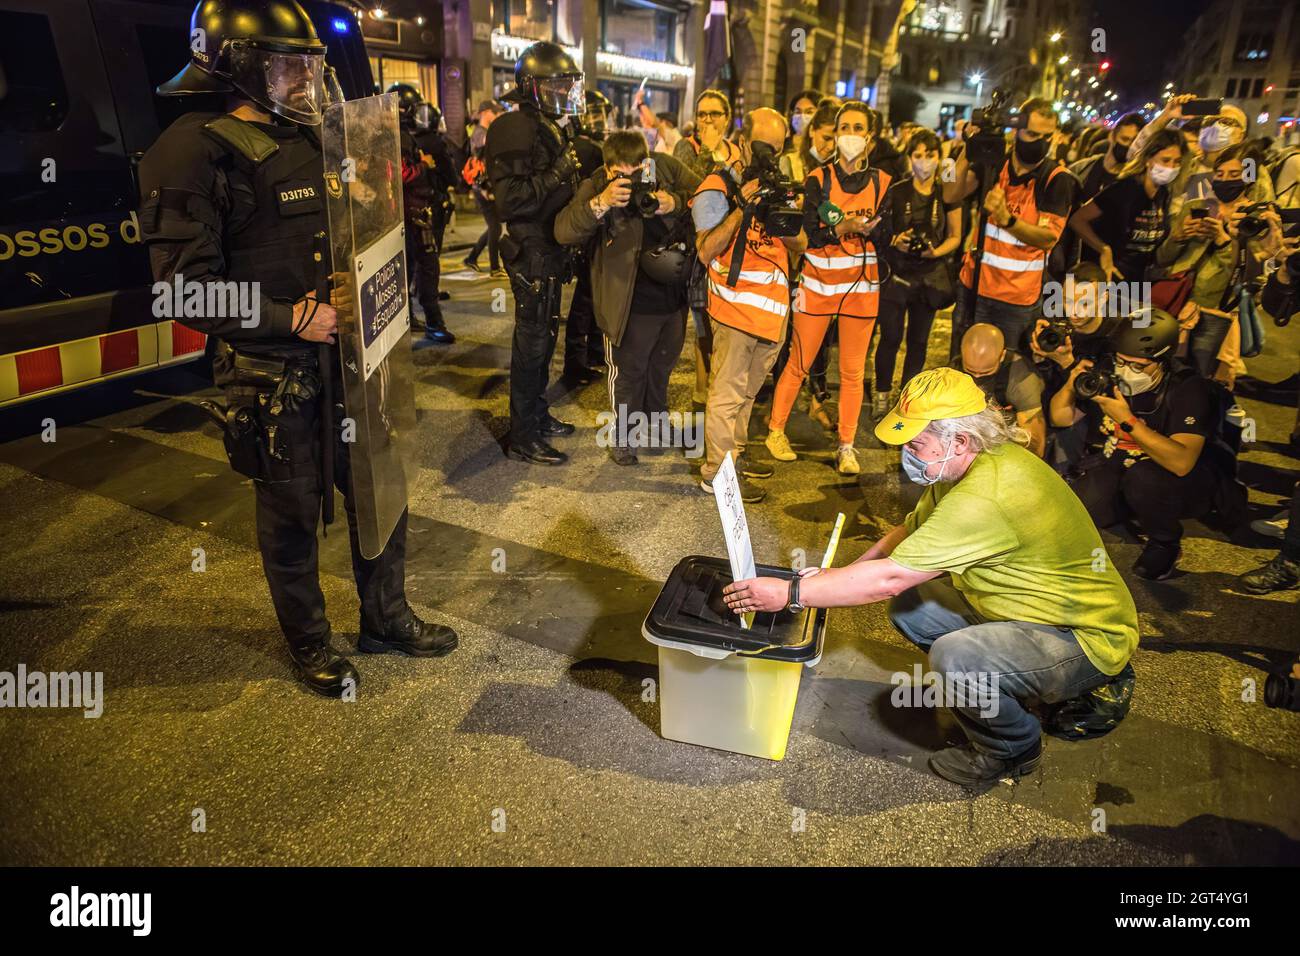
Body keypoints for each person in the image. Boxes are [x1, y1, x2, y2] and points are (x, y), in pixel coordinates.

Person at [137, 0, 457, 696]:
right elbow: (182, 293)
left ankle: (386, 619)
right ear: (235, 64)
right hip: (273, 374)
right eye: (288, 63)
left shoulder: (318, 137)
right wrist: (291, 317)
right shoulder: (191, 150)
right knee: (290, 517)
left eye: (310, 62)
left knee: (382, 491)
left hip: (353, 362)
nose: (304, 77)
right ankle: (310, 642)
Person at [722, 367, 1139, 790]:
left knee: (956, 659)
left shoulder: (985, 497)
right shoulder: (970, 465)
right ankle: (1008, 690)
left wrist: (793, 593)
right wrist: (835, 576)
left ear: (958, 440)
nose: (906, 452)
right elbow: (905, 535)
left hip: (1084, 638)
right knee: (914, 610)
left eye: (915, 442)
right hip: (1031, 614)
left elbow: (890, 577)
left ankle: (1011, 748)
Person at [1051, 308, 1243, 580]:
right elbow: (1060, 417)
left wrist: (1127, 420)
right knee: (1074, 515)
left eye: (1138, 366)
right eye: (1121, 361)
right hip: (1119, 463)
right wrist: (1072, 382)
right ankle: (1132, 508)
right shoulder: (1110, 372)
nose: (1127, 372)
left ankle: (1164, 541)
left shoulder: (1188, 388)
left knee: (1144, 479)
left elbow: (1182, 462)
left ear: (1162, 360)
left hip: (1179, 479)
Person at [555, 131, 700, 464]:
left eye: (638, 172)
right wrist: (601, 202)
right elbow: (563, 230)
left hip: (671, 296)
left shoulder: (662, 167)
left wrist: (673, 201)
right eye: (623, 174)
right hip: (626, 302)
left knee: (661, 366)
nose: (633, 181)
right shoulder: (596, 185)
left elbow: (706, 192)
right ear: (608, 170)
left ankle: (655, 423)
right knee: (628, 372)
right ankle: (622, 435)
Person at [766, 101, 888, 475]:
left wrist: (873, 231)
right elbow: (810, 236)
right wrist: (842, 229)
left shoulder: (883, 182)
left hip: (862, 288)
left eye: (858, 128)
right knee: (799, 363)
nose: (851, 135)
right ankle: (775, 432)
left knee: (851, 373)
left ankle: (846, 446)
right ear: (835, 134)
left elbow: (888, 233)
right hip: (818, 284)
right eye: (844, 127)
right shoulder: (818, 180)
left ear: (870, 137)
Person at [692, 107, 805, 503]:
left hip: (773, 314)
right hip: (735, 311)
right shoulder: (717, 187)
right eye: (762, 148)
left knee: (746, 396)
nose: (767, 157)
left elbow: (801, 243)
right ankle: (716, 477)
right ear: (742, 142)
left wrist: (778, 211)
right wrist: (744, 205)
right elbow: (706, 250)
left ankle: (733, 460)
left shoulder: (778, 185)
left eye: (775, 149)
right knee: (726, 396)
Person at [485, 41, 587, 465]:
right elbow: (511, 201)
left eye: (567, 85)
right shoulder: (513, 127)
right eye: (554, 85)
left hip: (549, 251)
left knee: (543, 340)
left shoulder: (547, 124)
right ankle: (523, 434)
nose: (563, 93)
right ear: (530, 86)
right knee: (531, 343)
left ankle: (536, 414)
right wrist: (559, 172)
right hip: (531, 252)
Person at [945, 97, 1073, 350]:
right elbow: (948, 192)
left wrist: (1007, 219)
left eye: (1047, 137)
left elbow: (1049, 238)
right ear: (1015, 130)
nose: (1040, 142)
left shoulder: (1058, 179)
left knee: (1003, 372)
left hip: (1016, 299)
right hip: (974, 286)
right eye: (1032, 133)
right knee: (960, 364)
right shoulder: (994, 164)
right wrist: (966, 150)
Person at [1153, 144, 1284, 382]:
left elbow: (1254, 274)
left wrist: (1224, 240)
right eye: (1220, 174)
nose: (1224, 181)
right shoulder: (1197, 207)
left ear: (1249, 176)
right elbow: (1163, 258)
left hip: (1218, 315)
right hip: (1177, 302)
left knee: (1202, 382)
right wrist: (1178, 237)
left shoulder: (1257, 219)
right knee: (1162, 373)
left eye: (1234, 175)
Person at [872, 128, 962, 417]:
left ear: (939, 157)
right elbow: (880, 231)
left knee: (918, 342)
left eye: (930, 155)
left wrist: (936, 251)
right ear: (909, 157)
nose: (924, 161)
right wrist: (895, 240)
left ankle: (907, 399)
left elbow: (955, 235)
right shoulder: (897, 191)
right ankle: (882, 396)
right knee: (890, 337)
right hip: (897, 275)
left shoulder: (946, 193)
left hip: (930, 278)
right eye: (918, 155)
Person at [676, 89, 744, 406]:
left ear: (727, 118)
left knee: (728, 324)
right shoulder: (686, 147)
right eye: (702, 114)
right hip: (699, 249)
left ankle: (725, 389)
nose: (707, 120)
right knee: (703, 325)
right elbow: (686, 188)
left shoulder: (735, 151)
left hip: (732, 250)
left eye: (714, 114)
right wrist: (708, 151)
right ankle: (702, 393)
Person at [1069, 128, 1185, 285]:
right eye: (1165, 160)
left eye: (1177, 162)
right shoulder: (1125, 189)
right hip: (1108, 279)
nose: (1171, 167)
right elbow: (1077, 220)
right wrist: (1104, 249)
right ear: (1148, 160)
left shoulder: (1163, 193)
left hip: (1138, 282)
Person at [388, 82, 456, 345]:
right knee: (427, 266)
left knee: (411, 267)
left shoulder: (395, 133)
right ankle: (433, 322)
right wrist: (424, 166)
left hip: (406, 212)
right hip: (414, 211)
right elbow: (402, 174)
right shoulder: (401, 136)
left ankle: (412, 318)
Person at [559, 88, 613, 386]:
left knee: (592, 299)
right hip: (587, 233)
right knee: (585, 302)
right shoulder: (586, 148)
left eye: (601, 114)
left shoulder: (584, 145)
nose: (599, 120)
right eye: (594, 113)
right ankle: (576, 361)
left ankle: (591, 353)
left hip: (589, 231)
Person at [958, 323, 1047, 458]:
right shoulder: (955, 367)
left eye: (986, 372)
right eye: (970, 370)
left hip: (1010, 436)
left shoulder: (1022, 380)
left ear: (1002, 355)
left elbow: (1035, 444)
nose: (977, 377)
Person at [463, 100, 506, 275]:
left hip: (484, 186)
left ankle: (471, 258)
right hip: (482, 187)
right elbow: (481, 159)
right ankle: (494, 268)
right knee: (495, 227)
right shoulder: (480, 133)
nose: (496, 116)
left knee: (493, 226)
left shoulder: (483, 132)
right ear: (485, 112)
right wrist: (484, 188)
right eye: (494, 113)